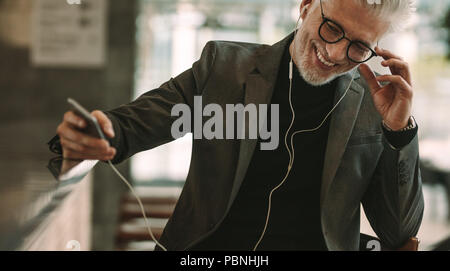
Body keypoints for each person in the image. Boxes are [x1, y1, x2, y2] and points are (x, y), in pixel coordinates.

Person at [53, 0, 424, 251]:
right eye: (331, 29)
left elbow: (400, 232)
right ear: (307, 6)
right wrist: (94, 134)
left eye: (359, 46)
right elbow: (133, 125)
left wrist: (399, 131)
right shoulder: (224, 68)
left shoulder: (376, 106)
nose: (336, 53)